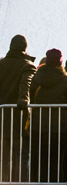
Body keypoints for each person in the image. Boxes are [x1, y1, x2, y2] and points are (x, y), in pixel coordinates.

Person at [29, 48, 67, 183]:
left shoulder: (37, 77)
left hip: (38, 126)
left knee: (41, 161)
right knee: (57, 161)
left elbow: (31, 97)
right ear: (60, 61)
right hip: (59, 127)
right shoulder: (65, 79)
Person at [0, 35, 36, 183]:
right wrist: (23, 99)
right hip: (18, 119)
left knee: (3, 158)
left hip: (2, 118)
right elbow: (26, 83)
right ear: (25, 48)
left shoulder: (1, 64)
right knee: (21, 157)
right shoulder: (27, 66)